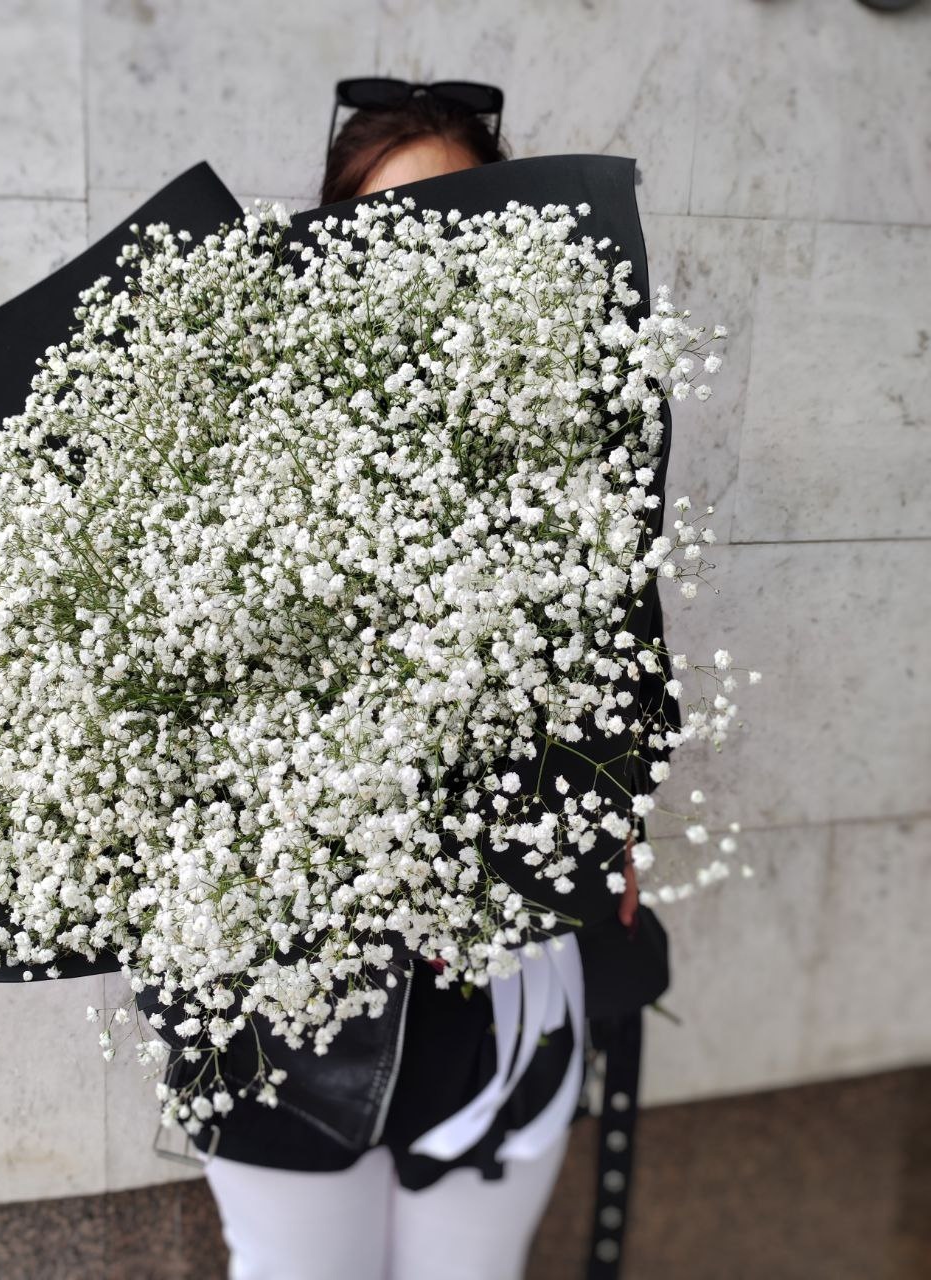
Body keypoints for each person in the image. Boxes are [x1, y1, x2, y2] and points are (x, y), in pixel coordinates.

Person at [174, 87, 656, 1280]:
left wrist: (607, 812)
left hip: (493, 990)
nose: (419, 247)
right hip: (290, 1002)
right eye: (383, 219)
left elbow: (617, 676)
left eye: (456, 212)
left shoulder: (567, 434)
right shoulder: (227, 432)